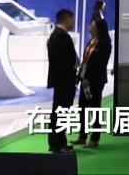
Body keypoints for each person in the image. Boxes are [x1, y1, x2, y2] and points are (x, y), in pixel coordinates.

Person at [73, 18, 112, 148]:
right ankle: (82, 137)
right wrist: (81, 77)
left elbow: (100, 65)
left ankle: (95, 138)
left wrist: (88, 79)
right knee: (82, 108)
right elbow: (85, 62)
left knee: (95, 108)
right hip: (85, 81)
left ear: (99, 29)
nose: (90, 28)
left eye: (93, 26)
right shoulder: (91, 42)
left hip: (96, 81)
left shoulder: (105, 45)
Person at [47, 9, 79, 154]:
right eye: (72, 19)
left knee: (60, 113)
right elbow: (64, 62)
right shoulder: (61, 36)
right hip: (64, 82)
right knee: (61, 113)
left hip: (62, 81)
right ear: (66, 19)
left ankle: (59, 143)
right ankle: (58, 144)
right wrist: (73, 77)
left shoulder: (57, 35)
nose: (73, 22)